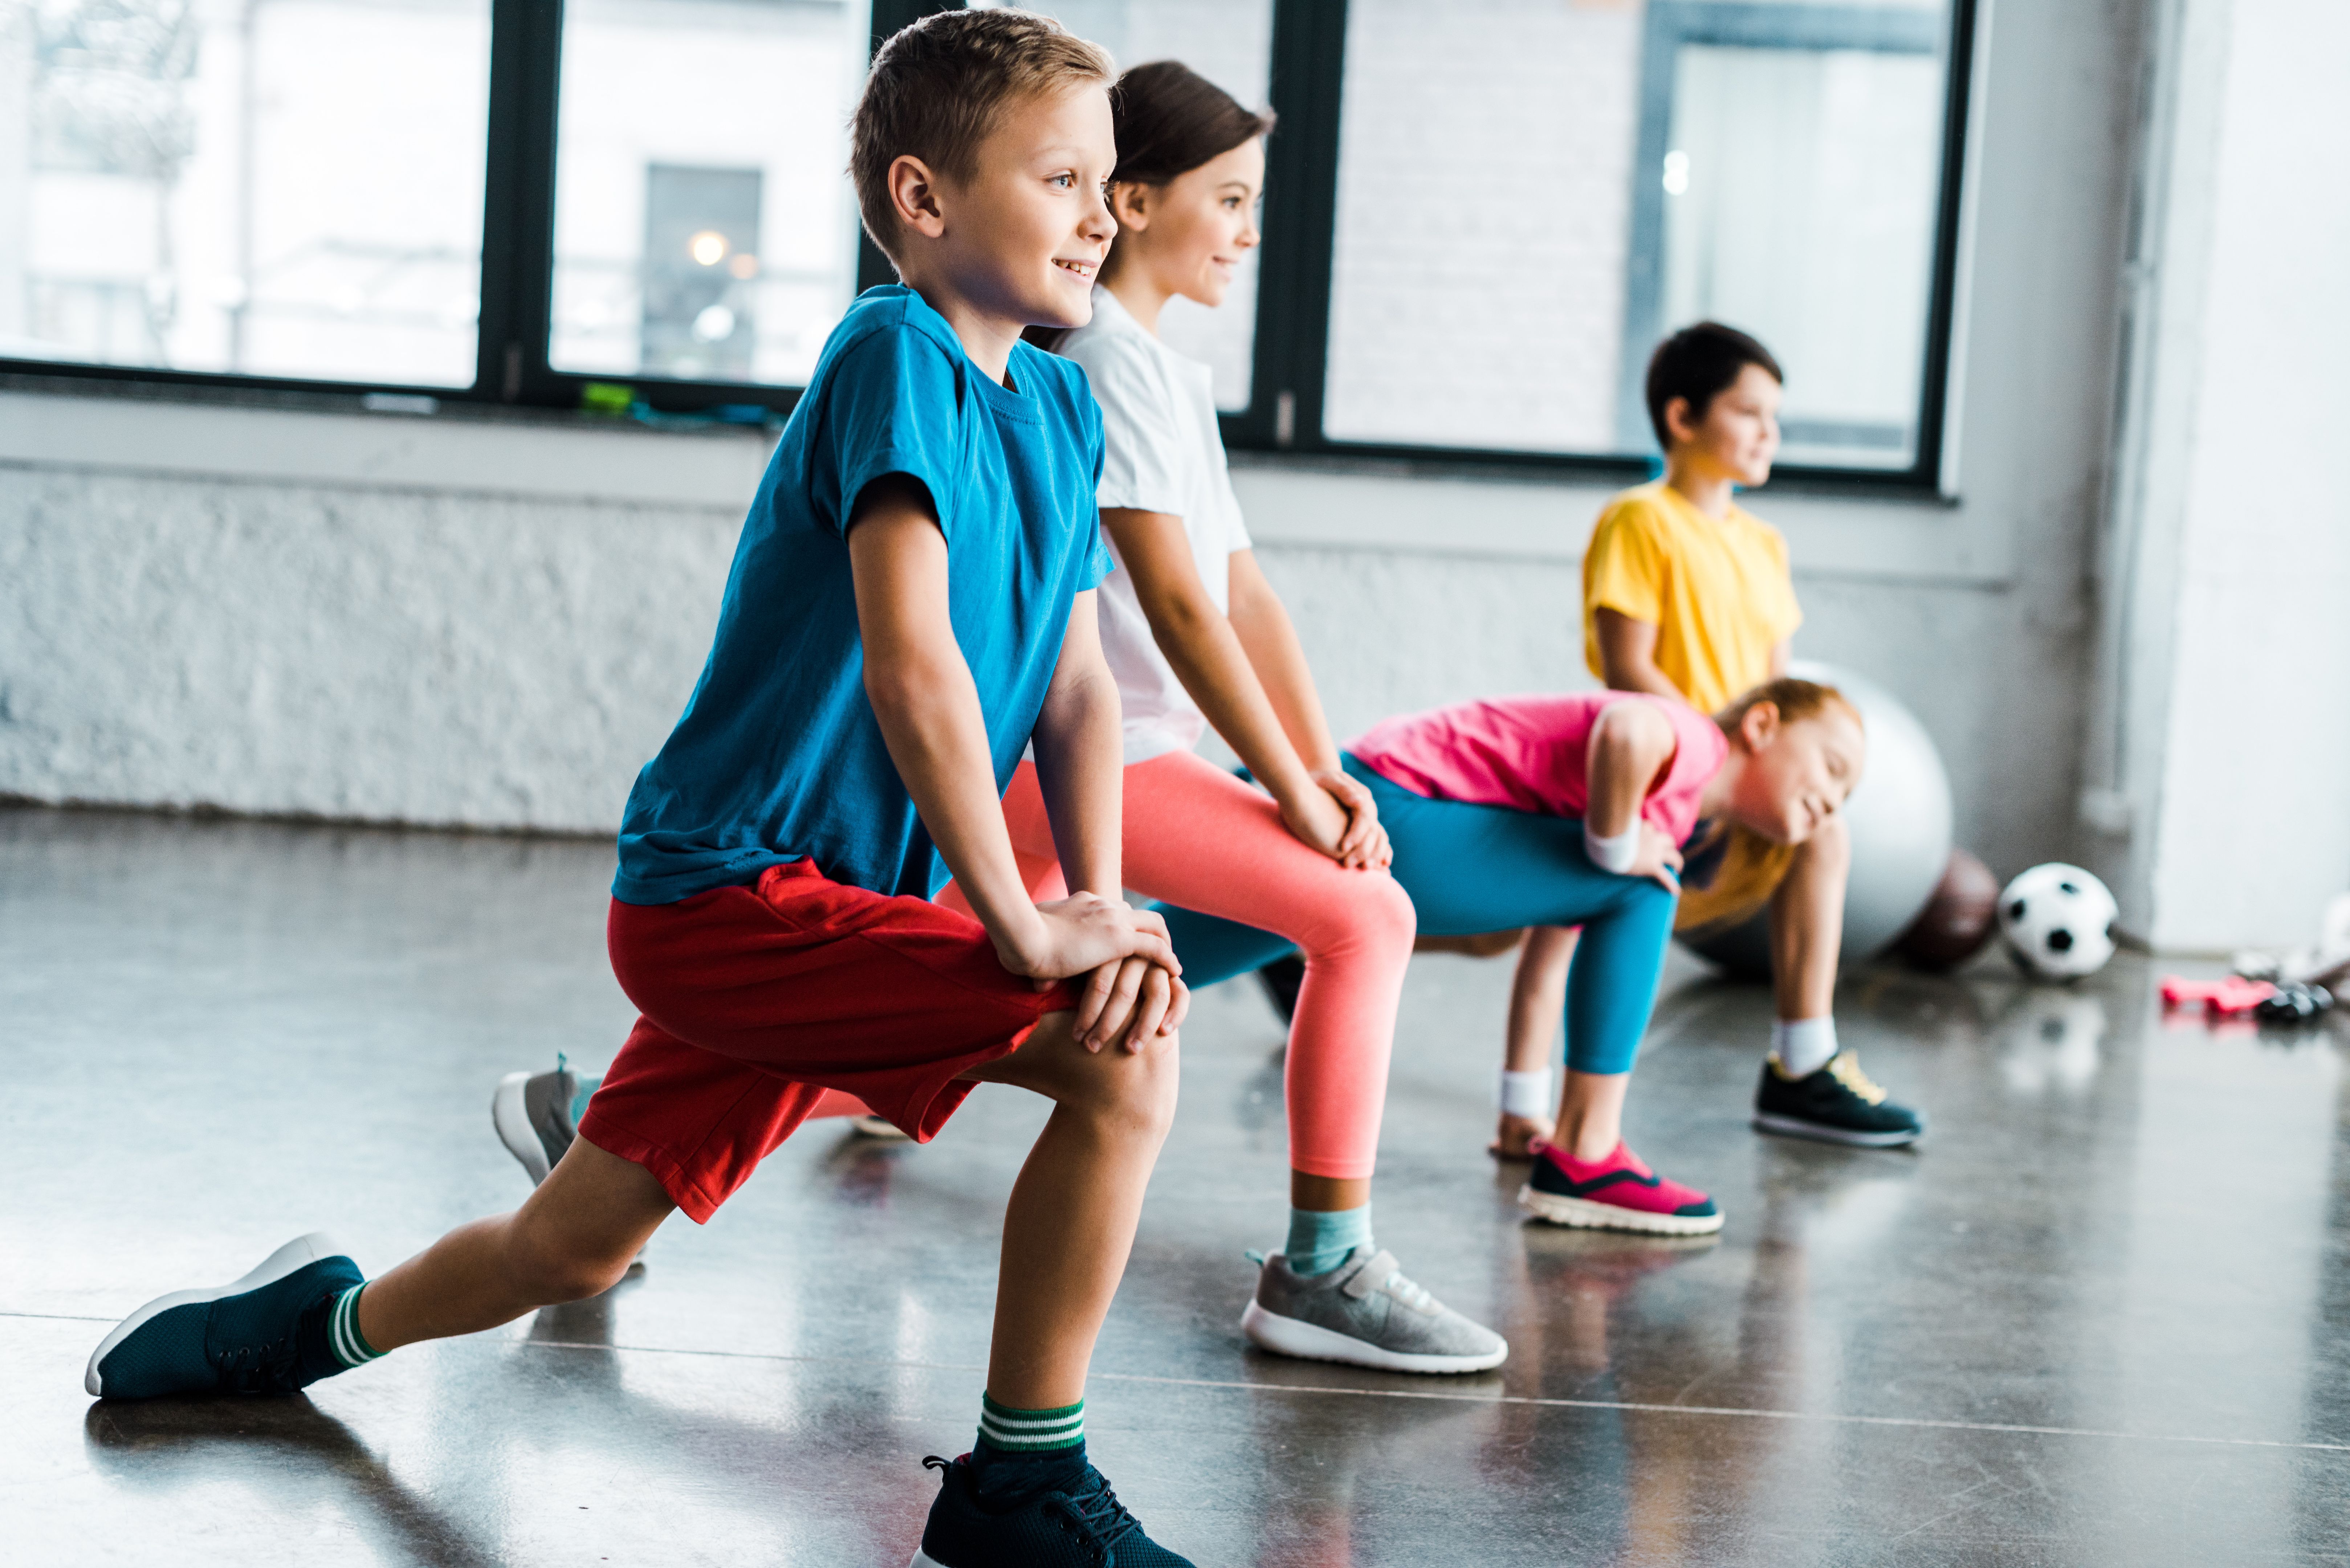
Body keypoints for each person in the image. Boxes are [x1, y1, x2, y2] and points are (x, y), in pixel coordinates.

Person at [82, 15, 1203, 1565]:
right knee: (1115, 1058)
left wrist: (1102, 898)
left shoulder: (1065, 412)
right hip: (729, 892)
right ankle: (1020, 1481)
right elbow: (913, 661)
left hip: (818, 917)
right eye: (1064, 178)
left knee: (575, 1244)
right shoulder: (894, 354)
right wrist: (1025, 925)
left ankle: (308, 1327)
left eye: (1111, 183)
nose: (1102, 213)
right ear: (924, 200)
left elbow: (1077, 692)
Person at [971, 59, 1499, 1373]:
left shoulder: (1162, 373)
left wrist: (1317, 769)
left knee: (955, 1007)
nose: (1250, 232)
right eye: (1232, 199)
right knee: (1366, 914)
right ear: (1133, 202)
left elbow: (1245, 595)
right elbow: (1177, 609)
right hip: (1083, 761)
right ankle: (1323, 1269)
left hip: (1120, 761)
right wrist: (1294, 790)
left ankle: (600, 1125)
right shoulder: (1100, 363)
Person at [1157, 679, 1870, 1234]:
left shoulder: (1664, 813)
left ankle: (1054, 982)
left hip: (1380, 796)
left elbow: (1549, 948)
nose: (1832, 802)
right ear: (1763, 725)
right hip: (1397, 806)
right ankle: (1588, 1153)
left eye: (1847, 794)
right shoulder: (1692, 741)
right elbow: (1625, 730)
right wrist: (1617, 849)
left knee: (1157, 961)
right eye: (1832, 768)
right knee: (1644, 884)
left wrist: (1520, 1109)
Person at [1489, 323, 1925, 1159]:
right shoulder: (1639, 522)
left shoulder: (1765, 546)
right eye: (1750, 412)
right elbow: (1629, 667)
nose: (1769, 433)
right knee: (1554, 926)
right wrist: (1702, 754)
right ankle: (1520, 1106)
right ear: (1684, 417)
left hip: (1734, 786)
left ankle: (1804, 1066)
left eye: (1776, 418)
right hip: (1655, 773)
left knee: (1823, 836)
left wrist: (1762, 768)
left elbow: (1781, 690)